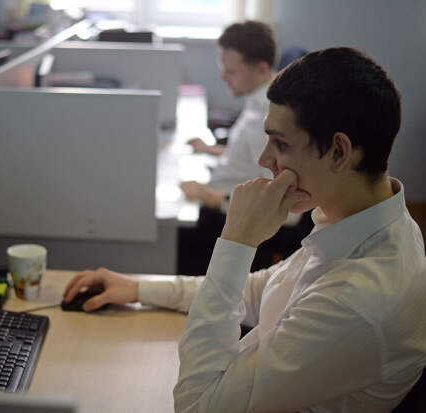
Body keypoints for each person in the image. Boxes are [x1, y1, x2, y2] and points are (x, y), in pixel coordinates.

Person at [63, 47, 426, 412]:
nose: (264, 160)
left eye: (280, 144)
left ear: (338, 152)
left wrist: (237, 240)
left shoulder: (357, 300)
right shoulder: (362, 222)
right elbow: (260, 292)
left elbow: (197, 405)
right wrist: (139, 288)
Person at [177, 21, 296, 275]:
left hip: (230, 219)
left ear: (261, 68)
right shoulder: (260, 98)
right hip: (223, 198)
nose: (223, 77)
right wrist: (211, 149)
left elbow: (275, 196)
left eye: (231, 71)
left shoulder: (266, 118)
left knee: (172, 232)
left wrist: (207, 196)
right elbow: (251, 158)